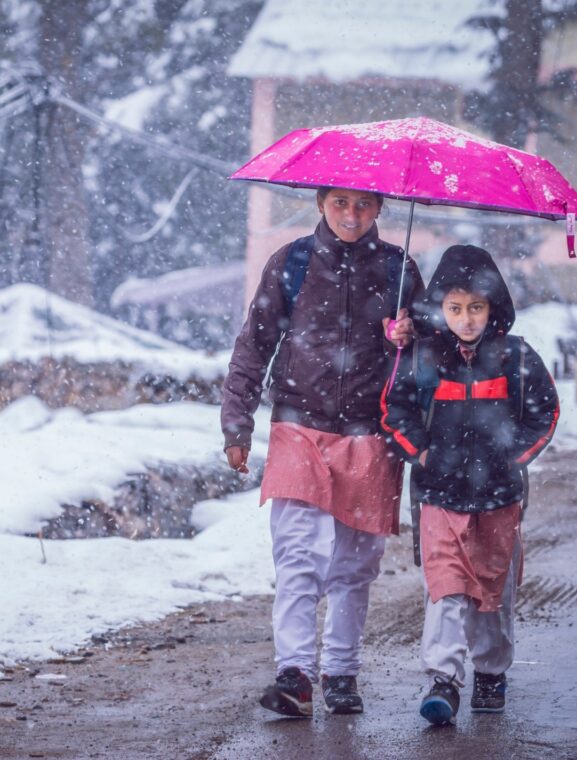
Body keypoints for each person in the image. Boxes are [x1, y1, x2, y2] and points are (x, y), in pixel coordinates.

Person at [222, 186, 424, 717]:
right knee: (296, 556)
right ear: (320, 204)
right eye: (340, 203)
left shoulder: (401, 270)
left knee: (355, 564)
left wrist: (411, 336)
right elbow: (254, 345)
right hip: (298, 424)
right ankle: (294, 673)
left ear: (381, 208)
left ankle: (340, 672)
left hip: (371, 431)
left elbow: (430, 361)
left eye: (363, 205)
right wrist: (236, 426)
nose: (351, 215)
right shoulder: (291, 263)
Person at [380, 244, 560, 725]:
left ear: (493, 307)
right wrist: (422, 452)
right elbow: (395, 411)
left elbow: (546, 412)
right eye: (455, 308)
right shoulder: (423, 358)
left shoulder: (514, 357)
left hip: (499, 498)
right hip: (439, 495)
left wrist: (512, 454)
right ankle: (443, 678)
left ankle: (491, 670)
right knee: (445, 587)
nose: (466, 319)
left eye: (476, 308)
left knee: (493, 589)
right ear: (439, 307)